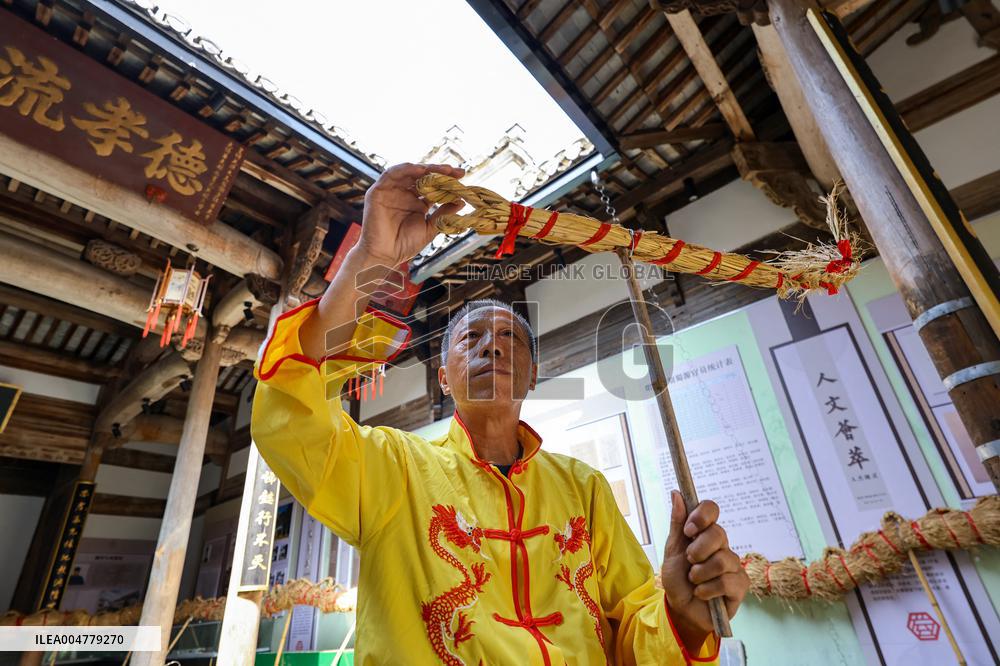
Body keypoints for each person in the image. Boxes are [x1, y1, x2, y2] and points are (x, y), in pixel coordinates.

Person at [251, 163, 750, 665]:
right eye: (471, 339)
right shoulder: (393, 469)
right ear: (444, 380)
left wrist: (683, 619)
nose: (491, 347)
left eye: (510, 338)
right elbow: (295, 412)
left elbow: (634, 629)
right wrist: (372, 258)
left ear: (532, 376)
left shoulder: (585, 489)